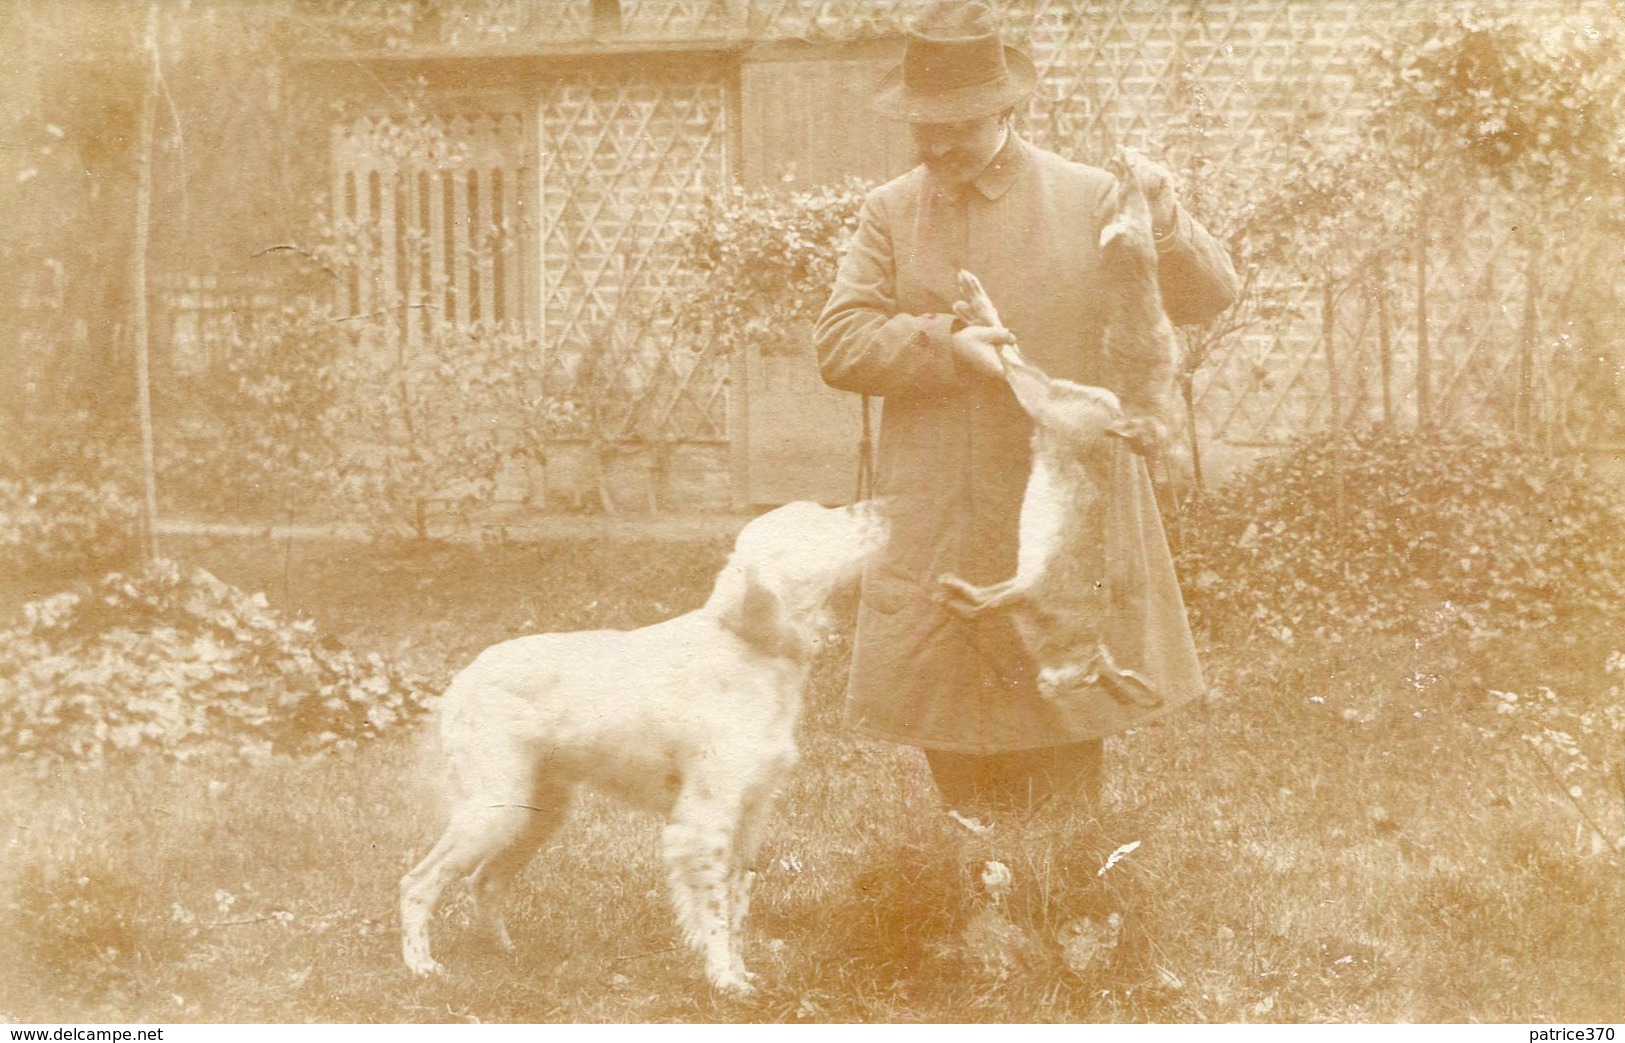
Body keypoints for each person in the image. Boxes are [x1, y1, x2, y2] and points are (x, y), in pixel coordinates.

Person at [815, 0, 1239, 813]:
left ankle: (1062, 898)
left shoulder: (1087, 198)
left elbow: (1210, 295)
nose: (936, 145)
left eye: (958, 126)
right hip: (938, 503)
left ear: (1005, 110)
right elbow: (839, 342)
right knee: (948, 716)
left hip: (1063, 506)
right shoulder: (890, 212)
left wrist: (1164, 219)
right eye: (922, 128)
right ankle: (971, 899)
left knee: (1064, 710)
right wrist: (945, 346)